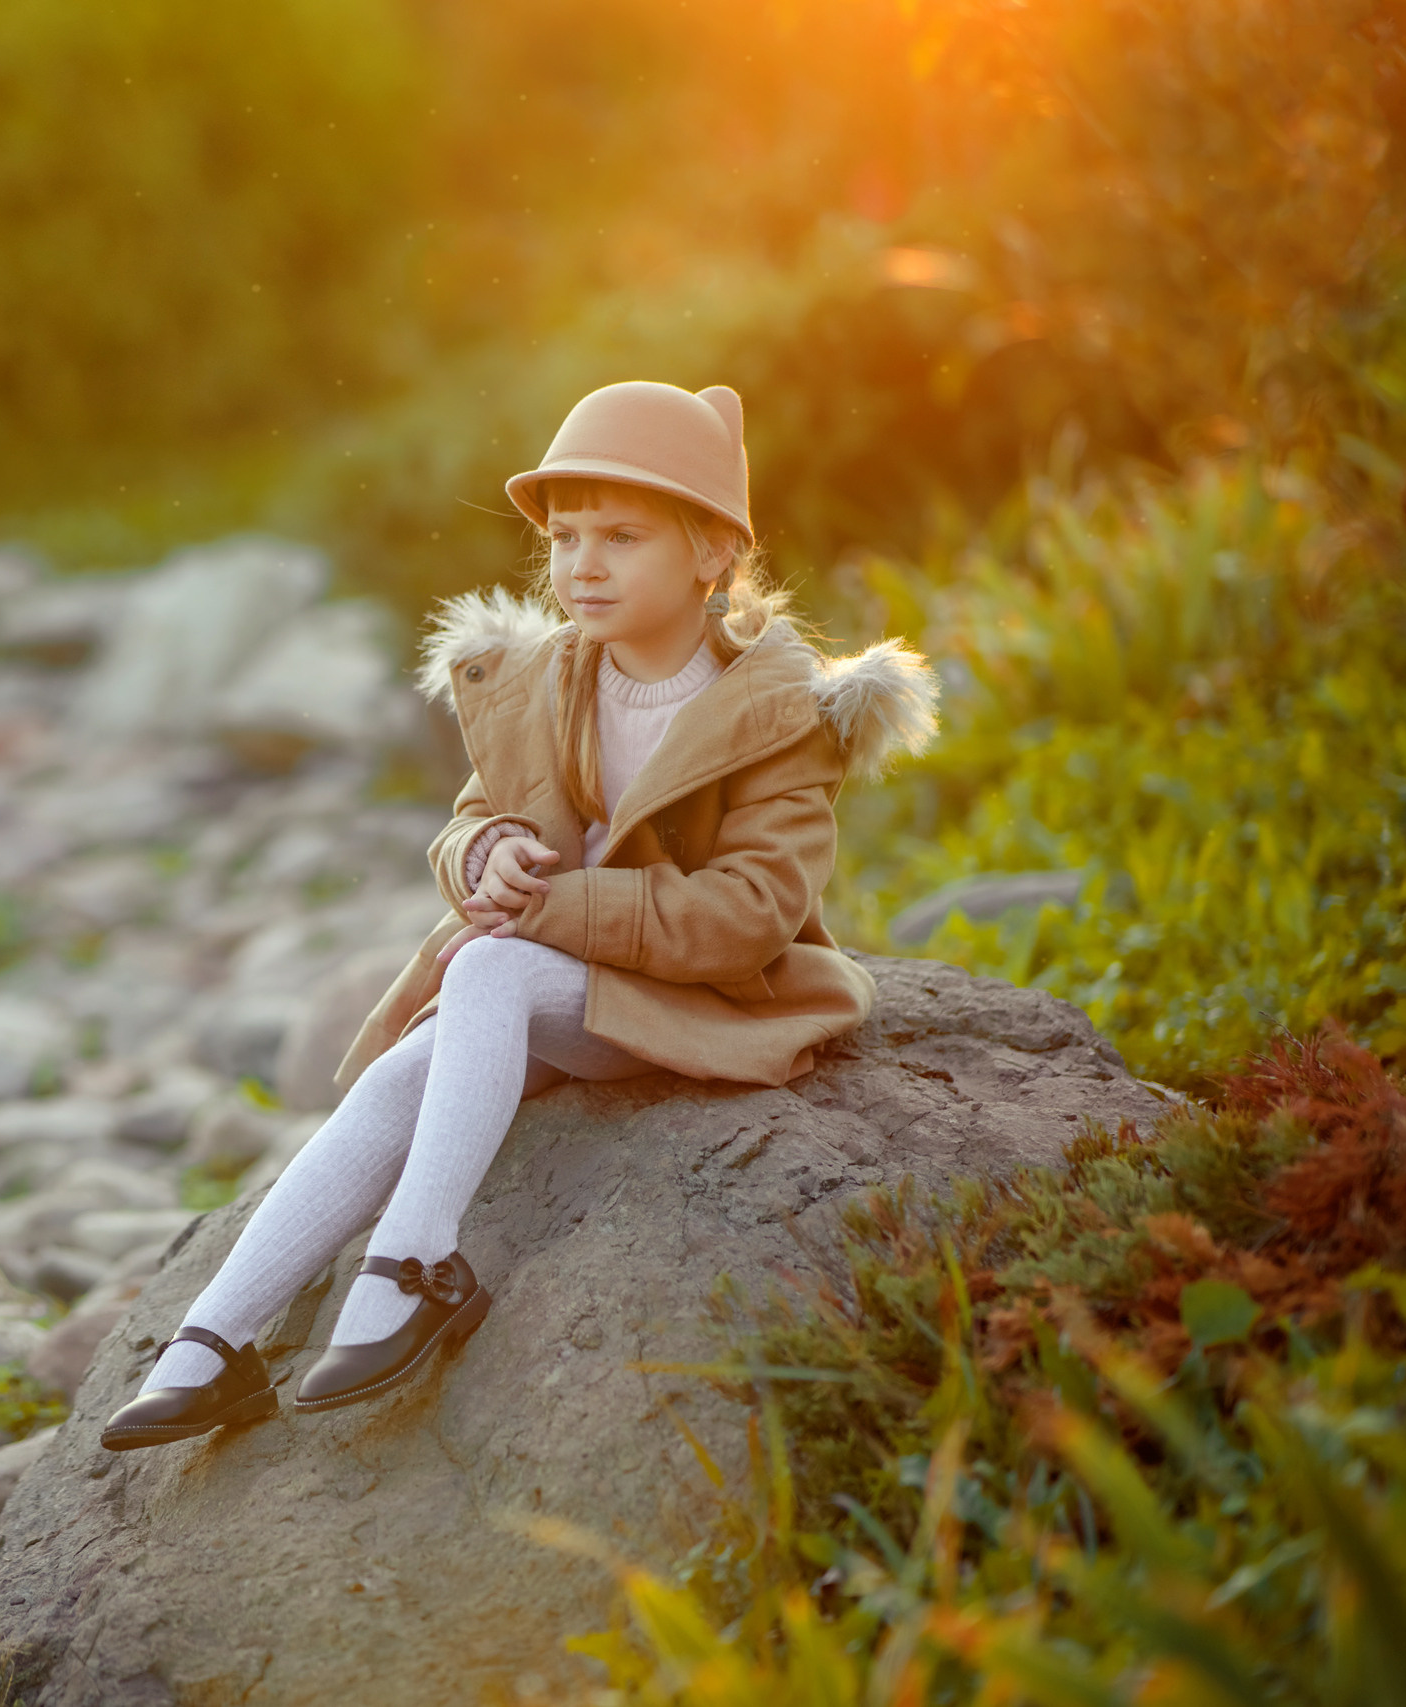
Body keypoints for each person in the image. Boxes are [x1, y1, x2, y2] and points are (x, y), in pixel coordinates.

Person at [100, 380, 941, 1449]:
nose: (582, 565)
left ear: (712, 556)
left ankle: (410, 1266)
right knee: (414, 1063)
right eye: (566, 536)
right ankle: (211, 1342)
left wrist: (548, 907)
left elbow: (750, 914)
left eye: (623, 537)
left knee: (485, 974)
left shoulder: (779, 718)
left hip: (698, 999)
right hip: (562, 987)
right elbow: (471, 824)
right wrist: (485, 858)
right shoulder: (538, 682)